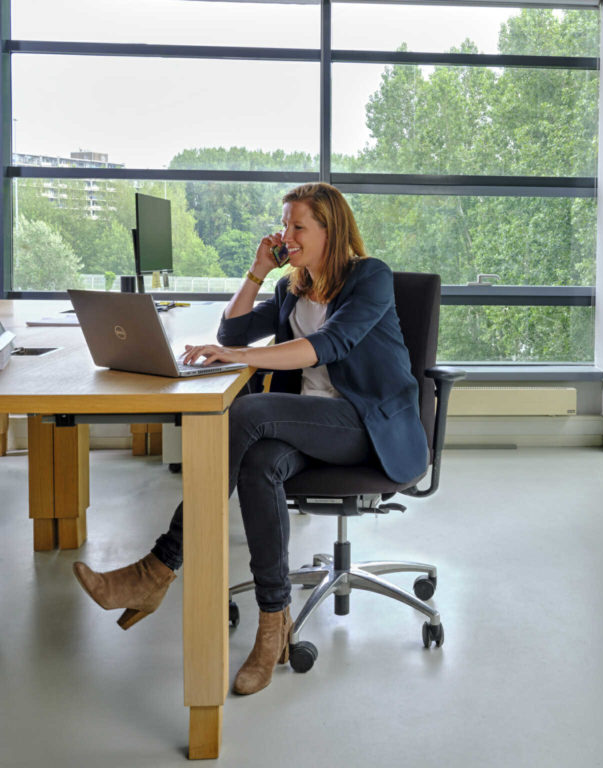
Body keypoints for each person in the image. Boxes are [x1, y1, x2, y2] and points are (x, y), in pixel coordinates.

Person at [73, 183, 429, 695]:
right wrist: (259, 272)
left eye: (297, 226)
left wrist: (235, 358)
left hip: (368, 426)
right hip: (309, 422)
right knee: (259, 461)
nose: (286, 235)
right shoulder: (292, 287)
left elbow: (326, 345)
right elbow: (234, 332)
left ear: (331, 230)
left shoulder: (369, 277)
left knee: (249, 409)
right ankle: (272, 625)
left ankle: (158, 567)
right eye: (285, 225)